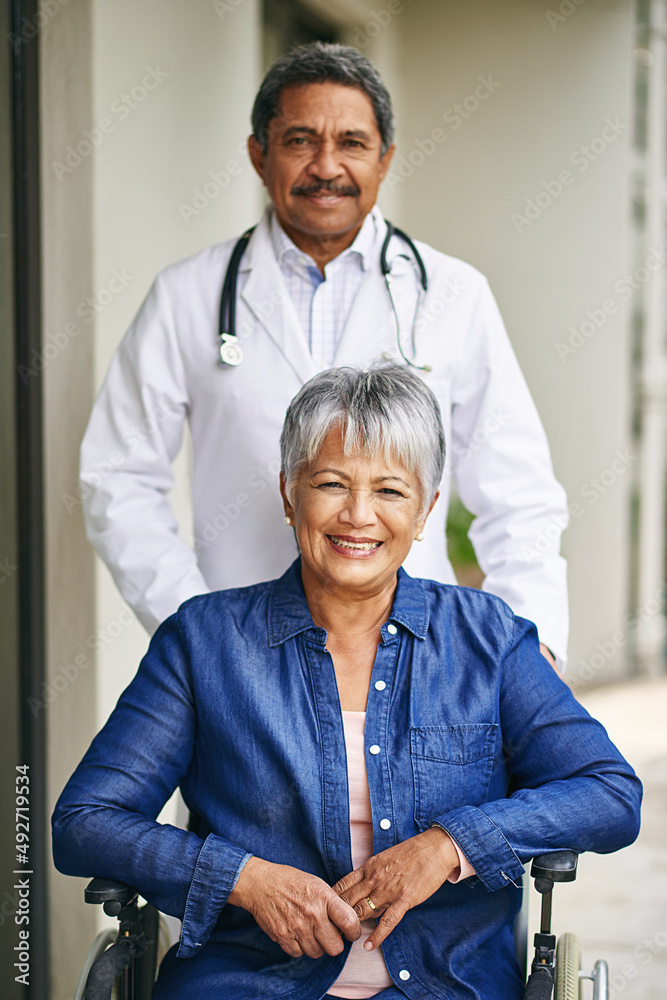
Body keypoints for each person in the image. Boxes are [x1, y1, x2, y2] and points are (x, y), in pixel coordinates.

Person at [54, 364, 641, 999]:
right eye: (331, 483)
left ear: (424, 511)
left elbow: (608, 792)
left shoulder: (488, 640)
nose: (358, 515)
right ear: (288, 494)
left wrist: (450, 846)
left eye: (390, 491)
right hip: (248, 982)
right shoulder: (204, 643)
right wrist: (243, 878)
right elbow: (84, 821)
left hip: (449, 984)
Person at [79, 42, 569, 668]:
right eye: (300, 140)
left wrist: (531, 646)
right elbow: (117, 474)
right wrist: (195, 621)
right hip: (243, 657)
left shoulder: (453, 294)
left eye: (353, 143)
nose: (327, 165)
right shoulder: (187, 296)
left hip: (417, 658)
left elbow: (518, 492)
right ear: (259, 155)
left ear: (385, 159)